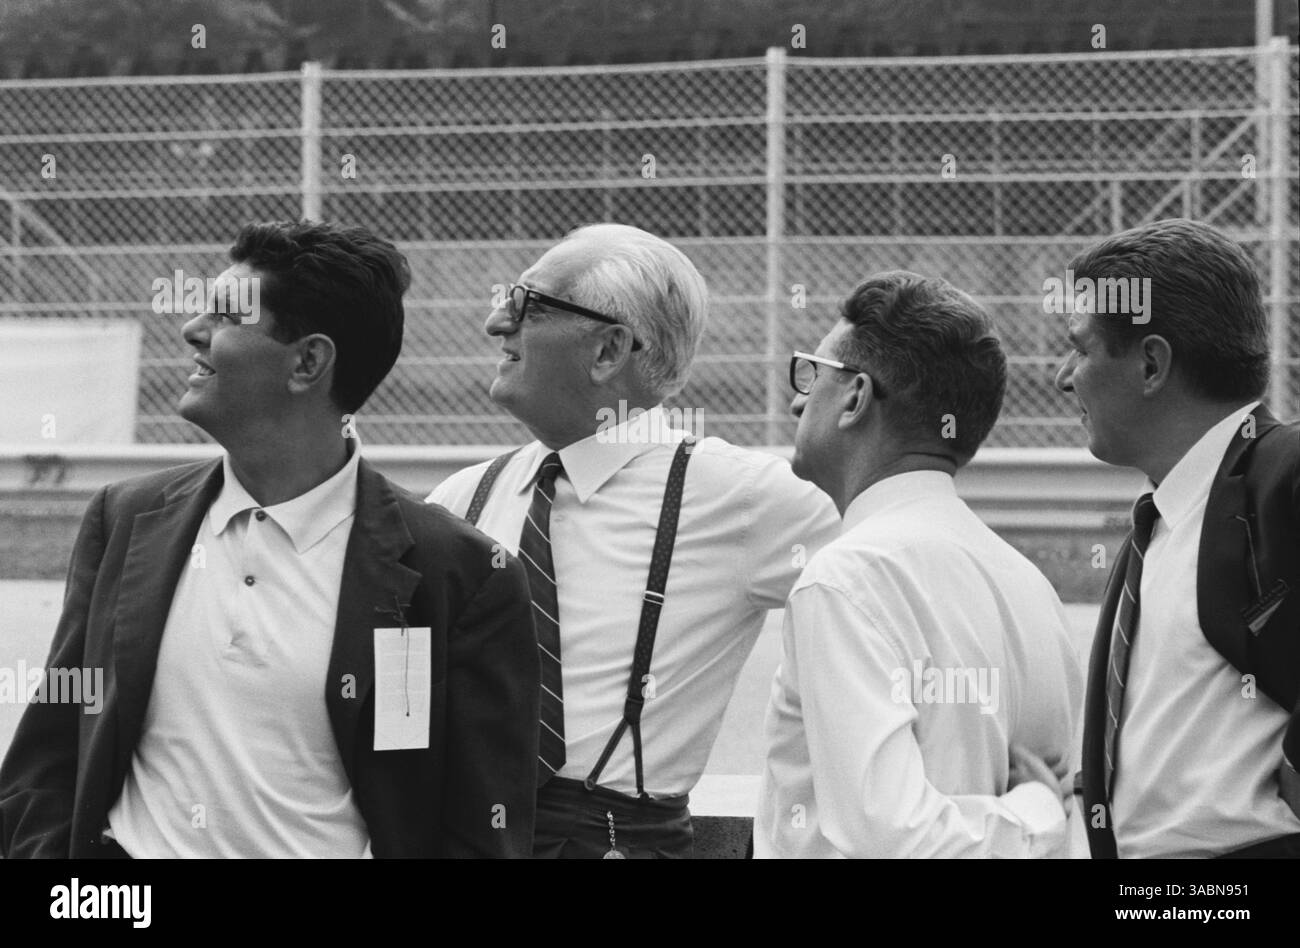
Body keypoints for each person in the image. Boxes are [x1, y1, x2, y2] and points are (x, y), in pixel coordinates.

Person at [0, 220, 540, 858]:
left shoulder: (461, 575)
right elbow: (47, 756)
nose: (192, 328)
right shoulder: (125, 518)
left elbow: (483, 831)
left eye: (228, 315)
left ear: (308, 362)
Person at [428, 223, 840, 858]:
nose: (495, 322)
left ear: (608, 350)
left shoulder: (742, 498)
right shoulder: (464, 498)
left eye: (525, 303)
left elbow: (904, 585)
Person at [754, 271, 1081, 858]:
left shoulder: (844, 579)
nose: (799, 398)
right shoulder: (1030, 585)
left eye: (812, 373)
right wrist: (1035, 813)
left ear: (855, 397)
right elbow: (1058, 798)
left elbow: (890, 836)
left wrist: (1033, 815)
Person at [1058, 218, 1300, 858]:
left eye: (1080, 349)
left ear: (1151, 364)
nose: (1064, 376)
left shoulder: (1284, 472)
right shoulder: (1162, 523)